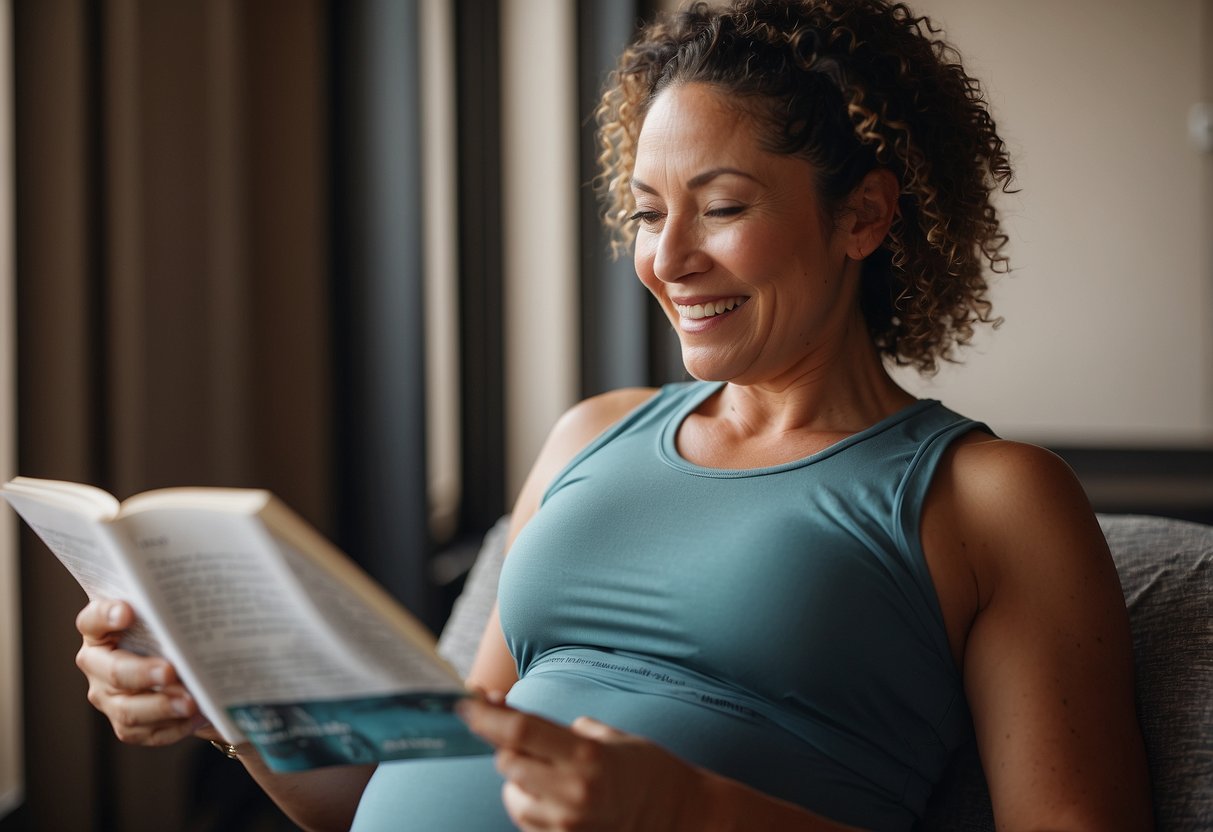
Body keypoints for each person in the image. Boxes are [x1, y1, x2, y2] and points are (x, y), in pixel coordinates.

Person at [73, 1, 1154, 829]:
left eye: (722, 208)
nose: (667, 258)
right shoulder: (590, 434)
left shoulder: (990, 498)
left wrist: (693, 812)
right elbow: (385, 790)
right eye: (646, 213)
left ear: (863, 214)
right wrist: (233, 708)